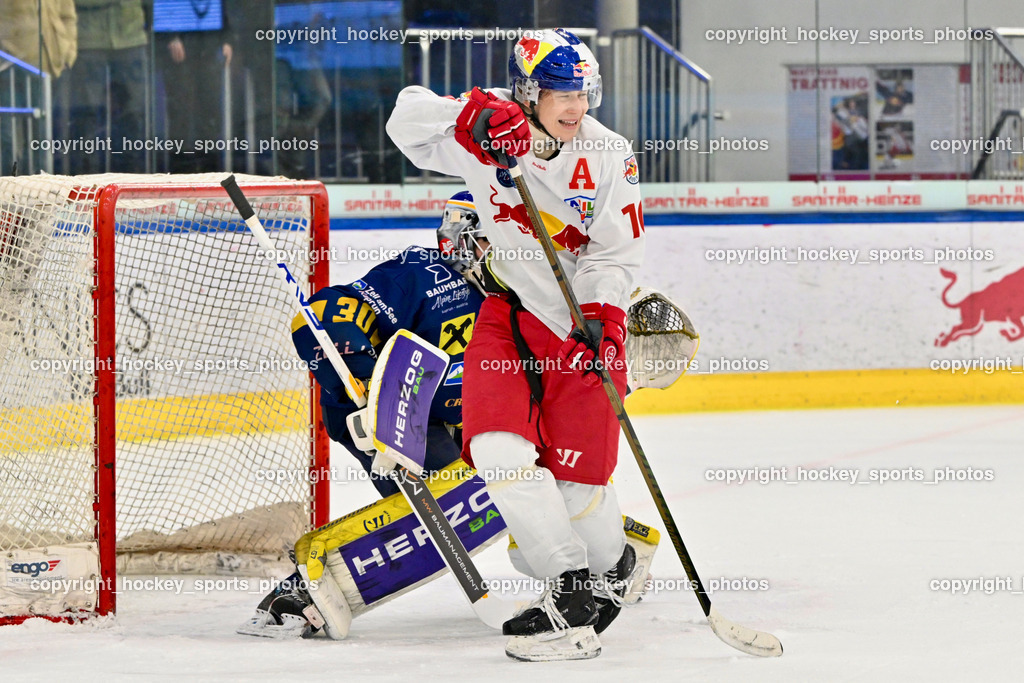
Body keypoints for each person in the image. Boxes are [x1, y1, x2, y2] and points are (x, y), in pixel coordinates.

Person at [239, 192, 663, 640]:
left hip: (464, 417)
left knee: (527, 475)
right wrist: (364, 382)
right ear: (463, 240)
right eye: (495, 241)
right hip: (394, 416)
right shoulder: (423, 276)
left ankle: (606, 554)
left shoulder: (522, 298)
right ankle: (308, 591)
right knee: (460, 501)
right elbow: (326, 314)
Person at [386, 28, 645, 660]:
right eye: (559, 92)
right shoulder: (488, 129)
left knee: (577, 485)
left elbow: (614, 251)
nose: (574, 106)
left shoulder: (610, 153)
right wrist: (468, 112)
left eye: (583, 92)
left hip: (579, 325)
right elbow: (403, 121)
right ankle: (569, 588)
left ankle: (614, 565)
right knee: (497, 448)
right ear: (528, 91)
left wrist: (602, 320)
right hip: (506, 314)